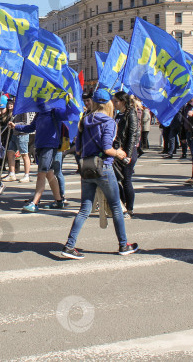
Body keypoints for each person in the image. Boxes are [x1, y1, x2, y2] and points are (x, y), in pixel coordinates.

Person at [61, 89, 139, 259]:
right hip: (103, 167)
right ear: (108, 103)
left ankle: (69, 245)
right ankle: (123, 244)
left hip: (87, 167)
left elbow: (79, 150)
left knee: (85, 208)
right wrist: (118, 153)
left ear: (95, 102)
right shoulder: (109, 122)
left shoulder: (84, 120)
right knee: (117, 207)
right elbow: (106, 148)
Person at [10, 102, 65, 212]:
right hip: (40, 146)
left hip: (49, 146)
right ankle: (59, 201)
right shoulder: (40, 113)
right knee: (49, 174)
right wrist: (16, 126)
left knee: (41, 174)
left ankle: (34, 203)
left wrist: (69, 101)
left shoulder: (55, 111)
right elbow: (31, 127)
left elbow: (69, 113)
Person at [112, 91, 141, 218]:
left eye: (116, 101)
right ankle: (121, 203)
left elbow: (132, 135)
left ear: (123, 101)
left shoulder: (131, 114)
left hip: (127, 151)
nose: (114, 103)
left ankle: (129, 209)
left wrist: (128, 155)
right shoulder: (117, 114)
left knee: (126, 180)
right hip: (117, 151)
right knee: (115, 179)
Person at [3, 99, 31, 184]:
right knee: (10, 152)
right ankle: (12, 173)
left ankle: (26, 175)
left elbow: (26, 123)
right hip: (14, 134)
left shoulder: (24, 109)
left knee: (24, 155)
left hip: (22, 134)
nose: (13, 101)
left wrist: (15, 125)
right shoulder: (15, 110)